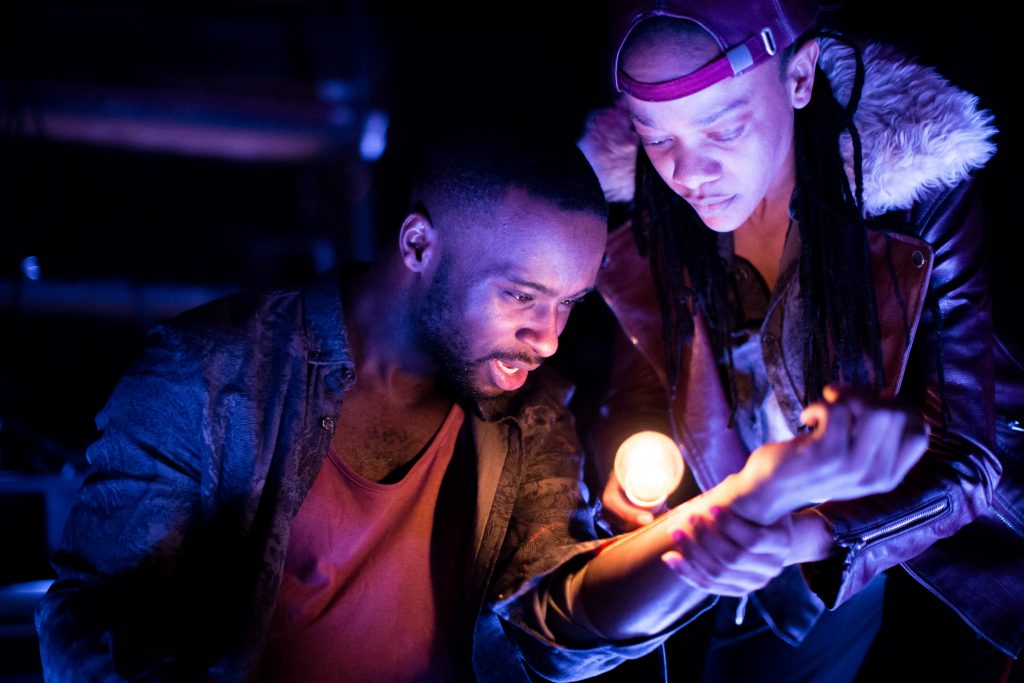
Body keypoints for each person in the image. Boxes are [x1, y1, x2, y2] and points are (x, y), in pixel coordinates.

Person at [33, 121, 928, 682]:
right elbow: (89, 617)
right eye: (521, 296)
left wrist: (723, 518)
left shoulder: (529, 418)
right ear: (419, 242)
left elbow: (551, 621)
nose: (546, 337)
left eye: (568, 305)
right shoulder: (207, 372)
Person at [577, 0, 1022, 680]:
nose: (688, 172)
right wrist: (639, 481)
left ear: (800, 76)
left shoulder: (914, 196)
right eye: (656, 138)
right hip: (763, 555)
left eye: (723, 129)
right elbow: (640, 397)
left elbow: (968, 458)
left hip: (930, 542)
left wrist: (802, 535)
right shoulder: (652, 218)